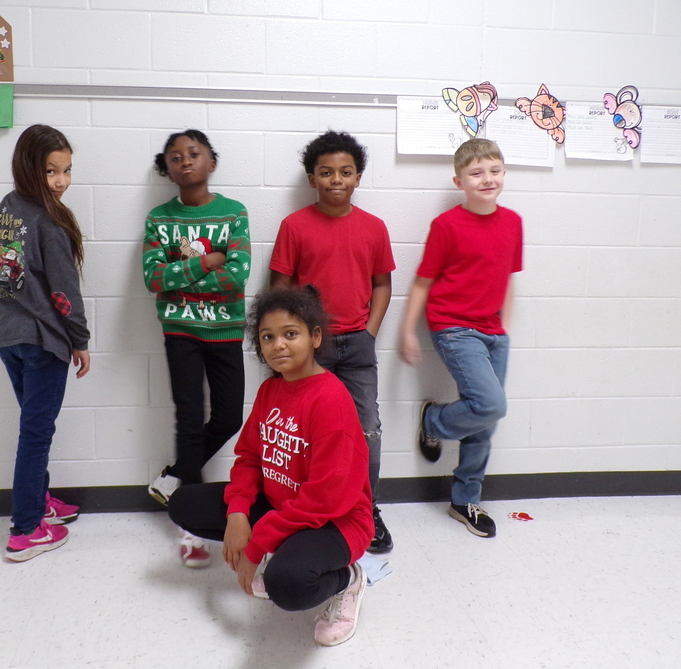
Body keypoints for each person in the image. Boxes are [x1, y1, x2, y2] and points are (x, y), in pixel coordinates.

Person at [168, 286, 373, 647]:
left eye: (290, 334)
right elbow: (248, 457)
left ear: (315, 337)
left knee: (288, 586)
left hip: (337, 522)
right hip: (286, 508)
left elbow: (325, 500)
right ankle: (287, 546)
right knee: (184, 503)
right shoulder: (271, 391)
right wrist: (237, 513)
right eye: (268, 337)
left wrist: (256, 545)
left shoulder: (331, 400)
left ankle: (349, 579)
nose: (278, 344)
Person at [268, 131, 396, 553]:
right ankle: (307, 511)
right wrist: (293, 343)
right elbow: (279, 290)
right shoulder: (294, 226)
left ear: (358, 177)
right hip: (311, 352)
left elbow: (382, 285)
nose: (336, 179)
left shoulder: (374, 228)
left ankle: (368, 511)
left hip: (358, 345)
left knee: (366, 430)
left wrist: (370, 331)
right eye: (326, 172)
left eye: (345, 172)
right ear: (312, 178)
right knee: (311, 435)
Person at [399, 138, 523, 538]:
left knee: (485, 423)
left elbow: (508, 278)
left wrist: (504, 326)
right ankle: (434, 420)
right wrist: (407, 330)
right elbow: (423, 282)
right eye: (476, 173)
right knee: (491, 404)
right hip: (453, 327)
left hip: (493, 331)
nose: (487, 179)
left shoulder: (513, 222)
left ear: (504, 173)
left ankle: (464, 499)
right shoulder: (447, 226)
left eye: (494, 170)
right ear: (459, 181)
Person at [142, 129, 251, 567]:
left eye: (194, 154)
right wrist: (206, 261)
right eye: (175, 157)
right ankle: (190, 529)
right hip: (180, 331)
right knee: (188, 420)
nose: (185, 161)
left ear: (212, 162)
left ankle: (174, 476)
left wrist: (180, 273)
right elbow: (154, 279)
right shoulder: (159, 218)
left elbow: (238, 275)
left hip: (225, 330)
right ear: (165, 169)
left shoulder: (234, 212)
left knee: (229, 416)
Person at [0, 124, 90, 562]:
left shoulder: (6, 209)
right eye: (52, 171)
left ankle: (40, 500)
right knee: (36, 434)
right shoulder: (48, 221)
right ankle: (25, 529)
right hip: (42, 342)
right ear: (29, 167)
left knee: (34, 428)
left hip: (6, 336)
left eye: (67, 170)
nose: (61, 181)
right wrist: (80, 340)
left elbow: (2, 278)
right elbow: (64, 292)